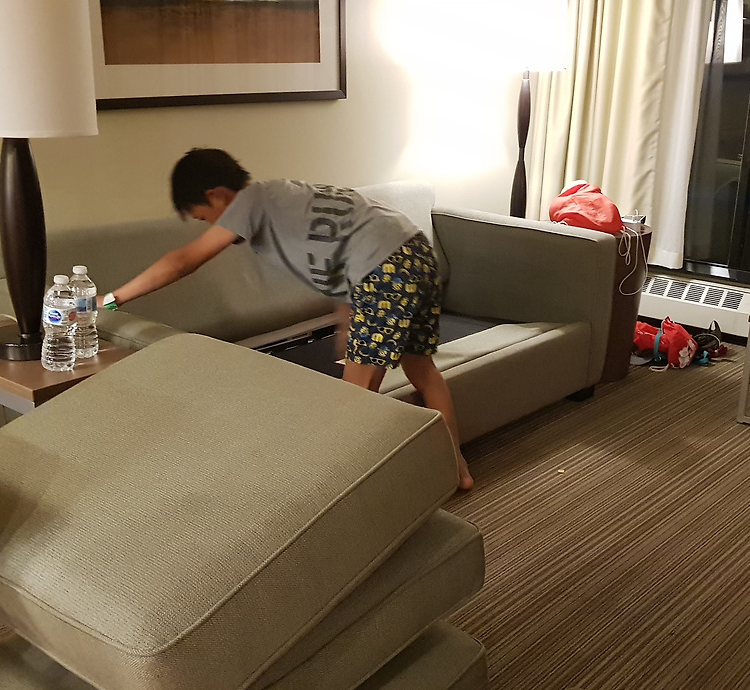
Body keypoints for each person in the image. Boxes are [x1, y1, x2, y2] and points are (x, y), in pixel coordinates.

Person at [104, 149, 474, 490]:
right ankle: (457, 469)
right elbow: (342, 249)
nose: (210, 226)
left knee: (354, 401)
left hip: (384, 269)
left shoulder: (248, 202)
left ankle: (343, 492)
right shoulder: (287, 195)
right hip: (414, 250)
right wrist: (347, 321)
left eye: (205, 217)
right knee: (421, 369)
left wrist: (111, 300)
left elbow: (184, 261)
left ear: (216, 196)